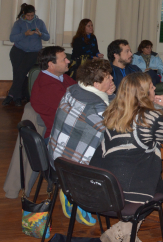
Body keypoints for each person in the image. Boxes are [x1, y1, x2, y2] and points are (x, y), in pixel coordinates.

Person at [90, 72, 163, 241]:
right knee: (161, 186)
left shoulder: (112, 111)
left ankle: (121, 231)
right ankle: (124, 232)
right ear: (145, 93)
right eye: (152, 87)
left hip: (104, 186)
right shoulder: (151, 117)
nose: (155, 89)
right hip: (128, 189)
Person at [49, 59, 115, 227]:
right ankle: (78, 195)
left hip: (56, 156)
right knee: (119, 154)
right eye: (108, 78)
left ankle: (70, 191)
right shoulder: (94, 108)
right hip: (73, 168)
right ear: (96, 84)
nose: (112, 80)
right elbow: (115, 128)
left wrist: (109, 95)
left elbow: (103, 107)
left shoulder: (73, 90)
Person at [5, 3, 51, 106]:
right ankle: (17, 97)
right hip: (18, 51)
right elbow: (12, 38)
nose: (30, 18)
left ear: (35, 14)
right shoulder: (18, 23)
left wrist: (40, 34)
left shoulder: (39, 23)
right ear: (24, 14)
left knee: (20, 73)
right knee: (17, 74)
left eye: (32, 15)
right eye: (28, 15)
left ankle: (11, 95)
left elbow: (47, 37)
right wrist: (25, 34)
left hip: (33, 52)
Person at [30, 46, 76, 140]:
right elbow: (73, 107)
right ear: (51, 65)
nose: (68, 61)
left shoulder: (62, 77)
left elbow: (82, 91)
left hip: (69, 129)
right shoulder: (46, 85)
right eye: (64, 59)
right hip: (58, 136)